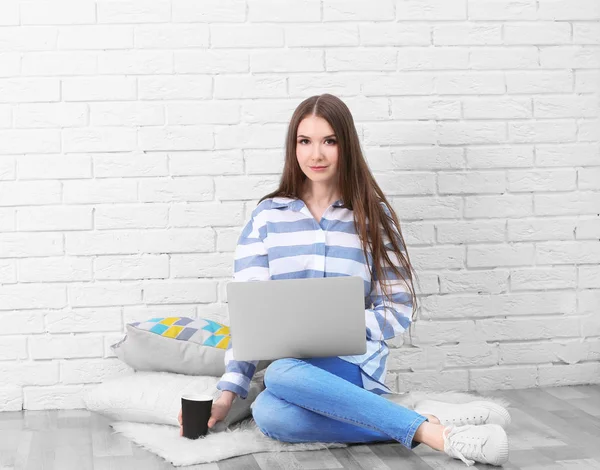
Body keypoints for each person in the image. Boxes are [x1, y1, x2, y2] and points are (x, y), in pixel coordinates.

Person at [178, 94, 510, 467]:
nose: (315, 154)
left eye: (329, 141)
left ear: (346, 145)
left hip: (352, 362)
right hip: (293, 366)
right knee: (271, 415)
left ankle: (438, 436)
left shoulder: (373, 215)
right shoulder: (267, 218)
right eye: (305, 141)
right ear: (294, 146)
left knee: (281, 374)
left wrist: (340, 328)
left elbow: (397, 309)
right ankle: (425, 421)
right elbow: (249, 316)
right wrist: (229, 390)